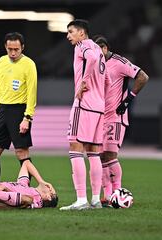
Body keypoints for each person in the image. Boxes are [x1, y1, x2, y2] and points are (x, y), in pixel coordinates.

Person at [92, 35, 149, 205]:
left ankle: (118, 191)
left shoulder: (119, 62)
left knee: (110, 154)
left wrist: (128, 100)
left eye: (99, 50)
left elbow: (143, 77)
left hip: (115, 117)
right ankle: (108, 196)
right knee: (99, 156)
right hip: (98, 117)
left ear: (105, 48)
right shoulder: (94, 65)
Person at [59, 19, 108, 211]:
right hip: (99, 106)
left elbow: (92, 61)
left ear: (81, 32)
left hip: (84, 104)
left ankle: (81, 200)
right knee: (93, 152)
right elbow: (106, 76)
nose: (68, 36)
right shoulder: (98, 48)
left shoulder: (82, 45)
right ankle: (95, 199)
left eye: (71, 31)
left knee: (75, 146)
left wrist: (83, 82)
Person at [0, 32, 37, 183]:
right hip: (3, 111)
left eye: (16, 49)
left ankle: (27, 190)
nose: (13, 53)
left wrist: (27, 118)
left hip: (19, 111)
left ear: (23, 48)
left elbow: (32, 93)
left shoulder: (29, 64)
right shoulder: (1, 62)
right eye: (10, 49)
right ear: (5, 47)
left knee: (21, 153)